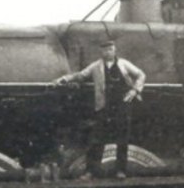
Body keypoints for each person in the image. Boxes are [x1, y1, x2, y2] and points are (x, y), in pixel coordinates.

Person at [53, 40, 146, 180]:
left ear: (114, 50)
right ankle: (91, 171)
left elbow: (141, 75)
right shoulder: (96, 66)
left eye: (110, 49)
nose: (108, 52)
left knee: (122, 139)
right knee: (96, 139)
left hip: (122, 105)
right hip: (104, 106)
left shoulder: (124, 64)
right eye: (105, 50)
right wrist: (65, 79)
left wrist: (135, 90)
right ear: (101, 52)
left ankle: (120, 170)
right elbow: (81, 75)